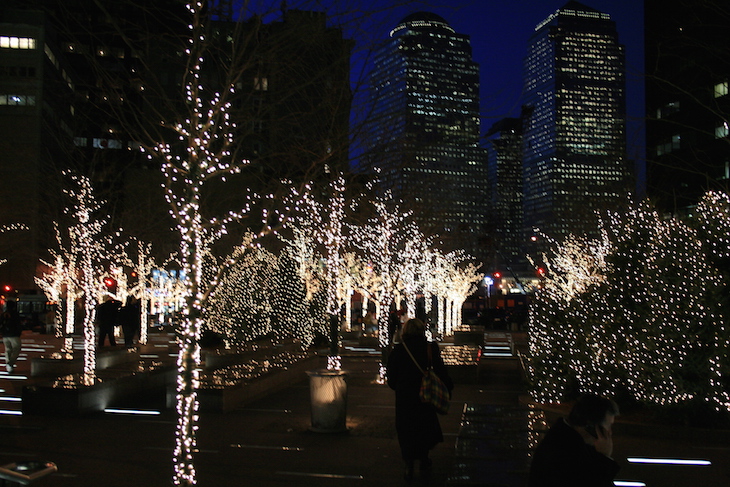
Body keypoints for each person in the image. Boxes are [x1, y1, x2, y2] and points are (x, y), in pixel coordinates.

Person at [386, 318, 454, 482]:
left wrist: (400, 387)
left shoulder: (399, 350)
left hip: (405, 398)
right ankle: (424, 458)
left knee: (406, 429)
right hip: (426, 394)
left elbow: (391, 377)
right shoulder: (430, 348)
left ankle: (408, 463)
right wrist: (448, 387)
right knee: (424, 427)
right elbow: (440, 371)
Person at [528, 393, 621, 487]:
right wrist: (604, 458)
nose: (610, 432)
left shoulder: (569, 439)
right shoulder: (562, 452)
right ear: (591, 426)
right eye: (608, 426)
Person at [1, 300, 23, 373]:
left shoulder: (3, 314)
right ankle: (10, 363)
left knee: (8, 349)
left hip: (5, 335)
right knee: (17, 348)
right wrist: (19, 332)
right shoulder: (15, 314)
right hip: (14, 334)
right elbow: (18, 324)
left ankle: (9, 365)